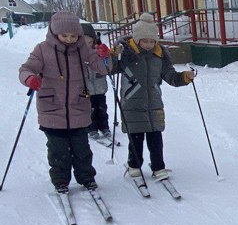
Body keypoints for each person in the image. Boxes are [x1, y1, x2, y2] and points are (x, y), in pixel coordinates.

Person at [18, 11, 109, 193]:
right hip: (51, 108)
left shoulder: (82, 48)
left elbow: (102, 69)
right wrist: (30, 79)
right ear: (54, 33)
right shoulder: (42, 49)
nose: (69, 39)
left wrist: (104, 56)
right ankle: (60, 180)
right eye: (64, 35)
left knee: (81, 149)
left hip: (78, 106)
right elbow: (26, 69)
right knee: (58, 151)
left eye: (73, 35)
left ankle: (86, 178)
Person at [109, 13, 196, 181]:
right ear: (137, 39)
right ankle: (134, 165)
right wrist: (113, 55)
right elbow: (109, 69)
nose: (148, 44)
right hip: (132, 103)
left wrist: (185, 77)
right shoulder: (126, 54)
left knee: (156, 137)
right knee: (136, 138)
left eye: (152, 41)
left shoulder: (160, 55)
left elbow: (170, 76)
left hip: (154, 103)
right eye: (145, 41)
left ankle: (158, 167)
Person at [80, 24, 112, 141]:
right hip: (86, 86)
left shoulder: (99, 50)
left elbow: (108, 67)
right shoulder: (78, 54)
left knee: (101, 107)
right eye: (83, 42)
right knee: (90, 108)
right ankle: (92, 127)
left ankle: (104, 126)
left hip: (99, 86)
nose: (87, 45)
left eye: (89, 42)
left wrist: (106, 56)